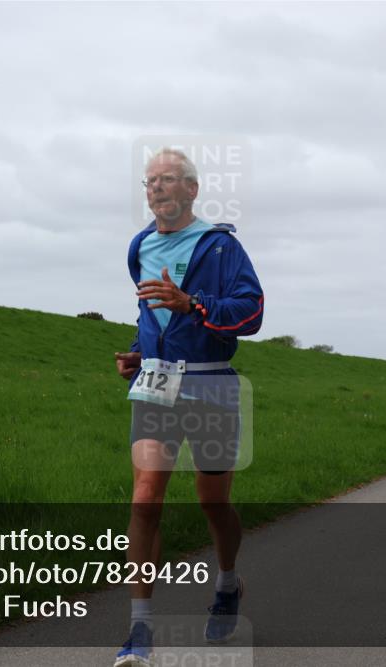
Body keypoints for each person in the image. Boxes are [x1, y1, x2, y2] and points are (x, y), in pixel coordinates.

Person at [113, 148, 264, 666]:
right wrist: (139, 352)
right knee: (145, 497)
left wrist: (194, 305)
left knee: (212, 502)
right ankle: (139, 630)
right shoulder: (140, 246)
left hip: (211, 387)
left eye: (168, 178)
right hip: (155, 388)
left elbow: (251, 312)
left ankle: (228, 583)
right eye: (149, 180)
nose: (156, 187)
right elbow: (151, 315)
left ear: (192, 189)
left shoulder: (220, 246)